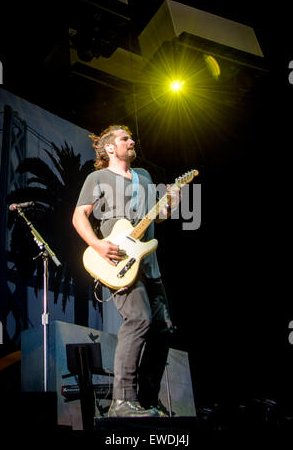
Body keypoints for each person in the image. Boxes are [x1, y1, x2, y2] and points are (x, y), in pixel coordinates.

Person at [72, 125, 181, 417]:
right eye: (125, 139)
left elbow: (163, 213)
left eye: (131, 138)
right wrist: (97, 245)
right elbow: (78, 215)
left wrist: (172, 202)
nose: (132, 141)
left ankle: (145, 399)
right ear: (109, 148)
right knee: (138, 320)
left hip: (148, 263)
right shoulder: (98, 177)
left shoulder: (144, 177)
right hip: (117, 260)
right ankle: (121, 401)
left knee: (163, 328)